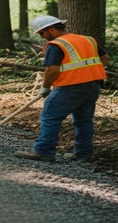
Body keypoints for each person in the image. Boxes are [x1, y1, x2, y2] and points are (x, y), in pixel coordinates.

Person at [15, 15, 109, 162]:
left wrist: (45, 87)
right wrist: (88, 72)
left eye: (41, 33)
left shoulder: (56, 45)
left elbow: (52, 70)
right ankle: (83, 153)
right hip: (93, 85)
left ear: (51, 30)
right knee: (84, 120)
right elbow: (105, 58)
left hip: (70, 87)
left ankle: (44, 150)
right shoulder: (87, 39)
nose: (42, 37)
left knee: (50, 116)